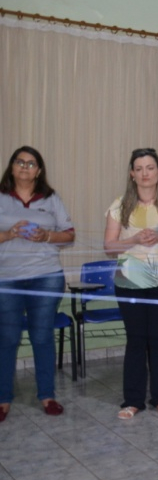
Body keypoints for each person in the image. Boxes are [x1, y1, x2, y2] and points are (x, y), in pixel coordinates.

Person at [104, 148, 158, 420]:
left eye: (150, 167)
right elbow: (109, 246)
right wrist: (134, 240)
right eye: (139, 168)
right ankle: (132, 401)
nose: (145, 173)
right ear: (132, 174)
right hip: (129, 283)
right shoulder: (119, 206)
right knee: (136, 340)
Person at [0, 146, 75, 422]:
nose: (24, 167)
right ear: (11, 167)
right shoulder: (1, 198)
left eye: (31, 164)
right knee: (7, 339)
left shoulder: (51, 198)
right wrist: (9, 233)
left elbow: (69, 235)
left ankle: (47, 395)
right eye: (19, 162)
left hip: (46, 277)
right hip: (6, 279)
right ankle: (3, 399)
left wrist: (46, 236)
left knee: (42, 337)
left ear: (39, 171)